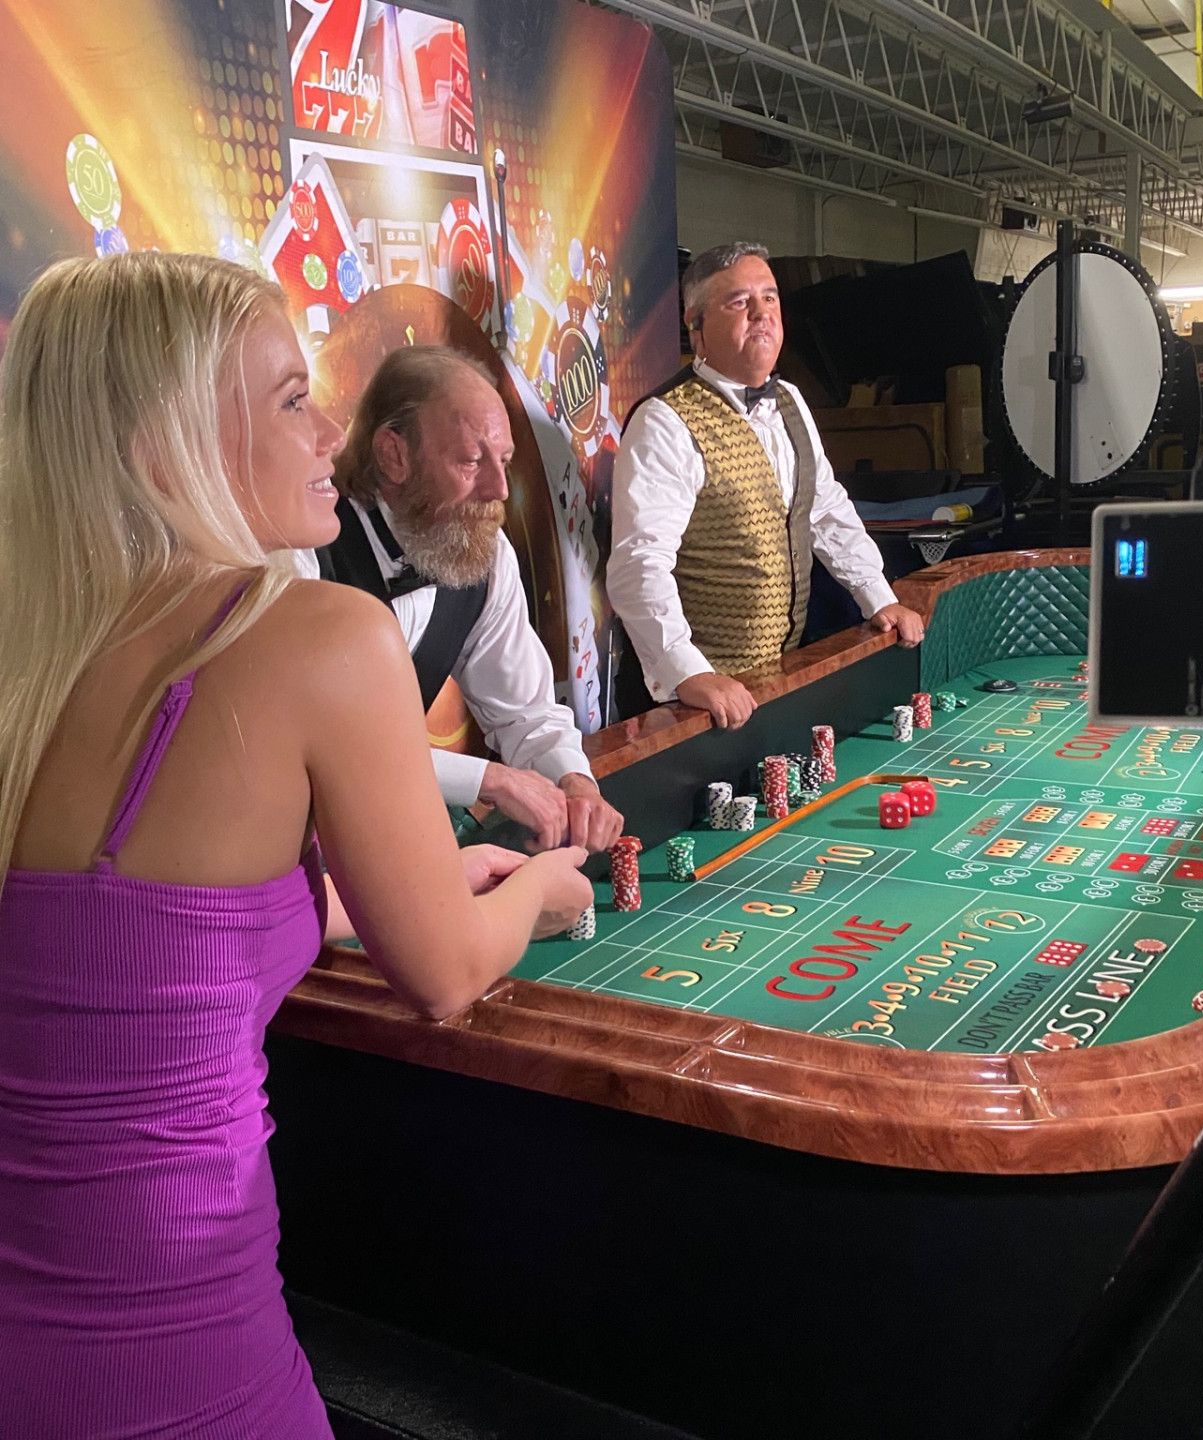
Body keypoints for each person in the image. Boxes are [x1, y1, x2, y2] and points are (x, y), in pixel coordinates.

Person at [0, 253, 592, 1438]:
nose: (328, 431)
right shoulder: (320, 635)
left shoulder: (30, 653)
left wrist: (353, 898)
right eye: (286, 400)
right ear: (166, 444)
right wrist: (533, 887)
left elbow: (135, 934)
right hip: (178, 1363)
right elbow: (445, 976)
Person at [297, 346, 623, 853]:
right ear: (393, 454)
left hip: (388, 840)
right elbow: (319, 746)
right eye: (472, 461)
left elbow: (526, 715)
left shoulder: (486, 556)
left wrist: (573, 782)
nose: (498, 488)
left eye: (505, 460)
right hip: (291, 853)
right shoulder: (303, 551)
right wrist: (491, 780)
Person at [607, 240, 926, 729]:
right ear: (698, 331)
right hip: (691, 705)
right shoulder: (664, 422)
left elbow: (823, 508)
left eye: (770, 297)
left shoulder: (791, 399)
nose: (761, 313)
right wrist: (688, 673)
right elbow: (638, 566)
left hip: (776, 676)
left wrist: (877, 595)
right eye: (739, 302)